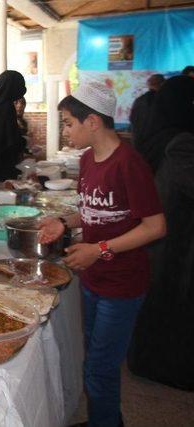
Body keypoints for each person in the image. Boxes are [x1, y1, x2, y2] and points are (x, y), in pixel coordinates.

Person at [39, 81, 166, 427]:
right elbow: (93, 211)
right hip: (93, 279)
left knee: (99, 370)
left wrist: (100, 249)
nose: (64, 131)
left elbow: (155, 226)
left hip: (122, 285)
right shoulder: (87, 159)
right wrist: (65, 223)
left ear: (92, 121)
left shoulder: (129, 163)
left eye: (68, 122)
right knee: (96, 359)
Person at [127, 76, 194, 390]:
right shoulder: (181, 143)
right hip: (175, 237)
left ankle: (149, 361)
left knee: (159, 305)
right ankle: (161, 368)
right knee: (171, 306)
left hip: (161, 237)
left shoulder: (158, 136)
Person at [129, 74, 165, 144]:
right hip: (155, 142)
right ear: (162, 84)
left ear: (148, 84)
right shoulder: (163, 100)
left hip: (138, 140)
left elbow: (132, 118)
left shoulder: (139, 100)